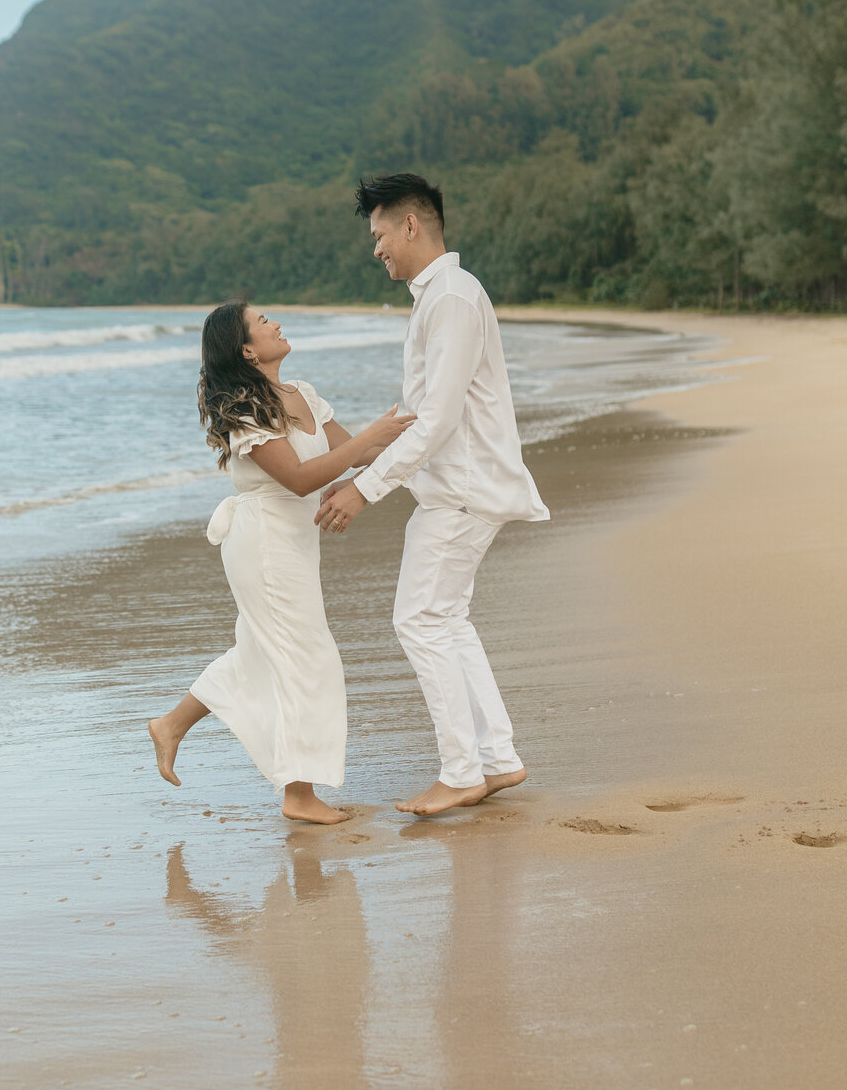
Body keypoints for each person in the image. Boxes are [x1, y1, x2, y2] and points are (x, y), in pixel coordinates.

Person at [315, 174, 549, 816]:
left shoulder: (449, 296)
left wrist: (364, 490)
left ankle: (461, 770)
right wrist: (362, 466)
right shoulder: (445, 295)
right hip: (464, 486)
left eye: (380, 233)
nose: (377, 249)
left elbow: (438, 417)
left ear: (411, 225)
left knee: (419, 620)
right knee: (445, 619)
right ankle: (496, 759)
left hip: (462, 490)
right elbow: (421, 413)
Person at [148, 302, 414, 824]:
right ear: (247, 349)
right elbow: (298, 478)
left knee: (260, 655)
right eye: (261, 321)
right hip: (263, 543)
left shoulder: (302, 394)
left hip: (292, 541)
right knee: (306, 657)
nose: (274, 322)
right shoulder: (243, 411)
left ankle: (171, 725)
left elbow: (354, 454)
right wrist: (367, 440)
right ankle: (299, 794)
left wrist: (419, 427)